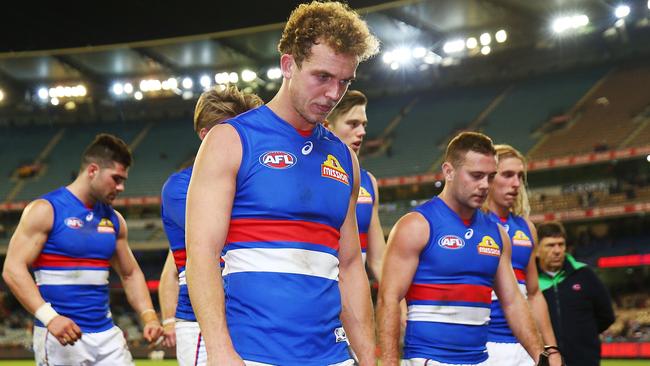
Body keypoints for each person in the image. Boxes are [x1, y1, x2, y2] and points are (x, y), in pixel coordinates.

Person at [185, 1, 380, 365]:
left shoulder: (345, 160)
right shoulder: (230, 141)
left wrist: (369, 358)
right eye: (322, 77)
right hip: (252, 355)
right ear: (288, 64)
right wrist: (220, 351)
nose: (333, 94)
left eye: (344, 81)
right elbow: (202, 254)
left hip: (332, 356)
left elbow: (351, 265)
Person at [377, 132, 558, 366]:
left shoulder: (497, 235)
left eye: (490, 177)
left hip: (481, 360)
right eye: (476, 176)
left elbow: (513, 301)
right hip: (428, 360)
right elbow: (388, 299)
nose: (484, 185)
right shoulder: (416, 225)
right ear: (449, 171)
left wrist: (540, 356)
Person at [2, 133, 163, 365]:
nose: (121, 187)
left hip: (107, 336)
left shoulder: (115, 220)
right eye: (116, 178)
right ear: (92, 170)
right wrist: (50, 318)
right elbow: (12, 269)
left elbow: (130, 273)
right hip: (62, 337)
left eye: (124, 180)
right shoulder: (45, 210)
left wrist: (149, 318)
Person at [158, 85, 263, 365]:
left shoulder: (249, 179)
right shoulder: (182, 186)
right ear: (207, 135)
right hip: (201, 323)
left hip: (250, 316)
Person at [484, 144, 562, 366]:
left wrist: (552, 350)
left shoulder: (526, 228)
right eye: (507, 175)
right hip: (483, 345)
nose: (516, 184)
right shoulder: (472, 225)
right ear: (488, 177)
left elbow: (534, 294)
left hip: (524, 347)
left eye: (520, 176)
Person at [324, 89, 385, 280]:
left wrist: (398, 304)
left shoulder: (369, 182)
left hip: (354, 292)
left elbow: (378, 260)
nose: (362, 132)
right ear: (327, 126)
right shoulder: (306, 175)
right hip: (315, 293)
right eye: (353, 124)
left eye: (363, 125)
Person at [536, 221, 615, 366]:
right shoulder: (531, 282)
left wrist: (584, 334)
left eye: (561, 244)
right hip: (546, 361)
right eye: (550, 245)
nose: (557, 250)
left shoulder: (584, 274)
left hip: (584, 360)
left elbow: (607, 315)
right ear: (537, 249)